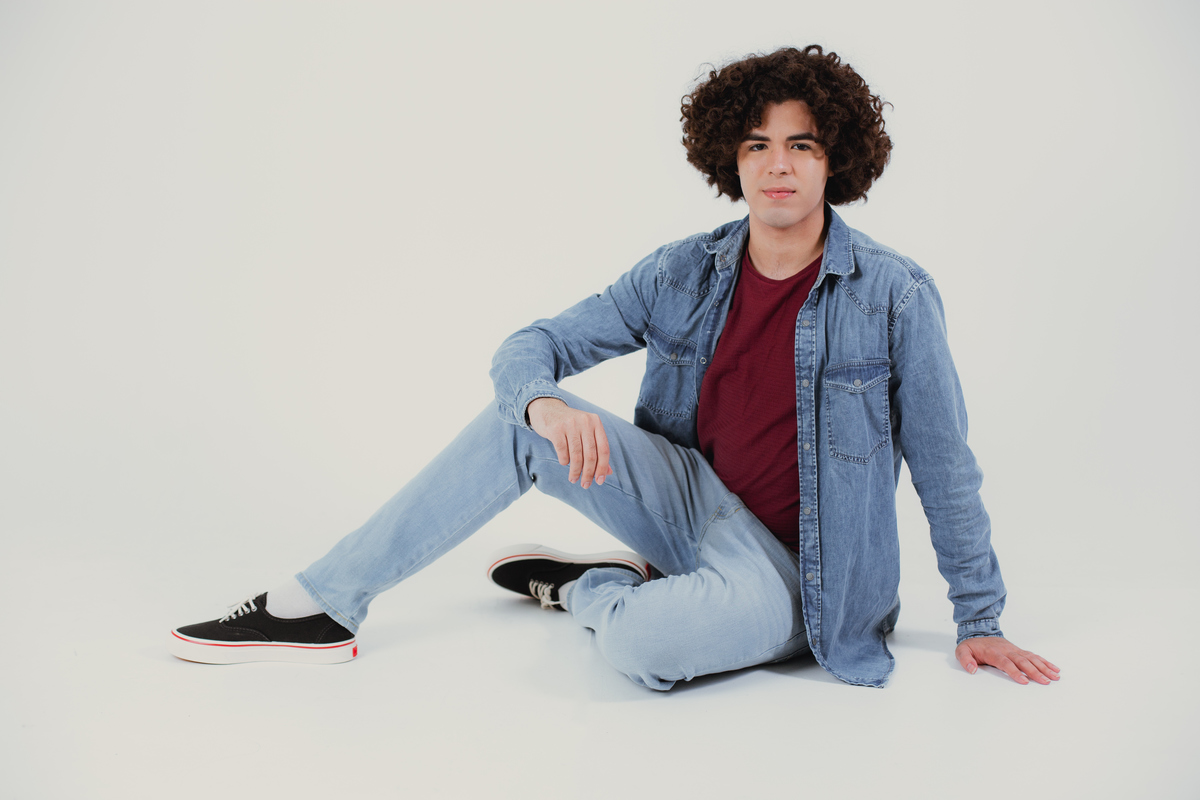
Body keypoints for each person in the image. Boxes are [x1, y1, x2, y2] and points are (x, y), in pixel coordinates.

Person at [168, 45, 1059, 689]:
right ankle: (322, 604)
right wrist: (544, 406)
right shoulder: (683, 272)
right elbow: (530, 345)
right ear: (730, 157)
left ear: (837, 160)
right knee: (518, 423)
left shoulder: (895, 295)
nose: (777, 166)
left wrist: (980, 619)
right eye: (757, 144)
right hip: (692, 503)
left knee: (643, 650)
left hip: (803, 575)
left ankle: (597, 589)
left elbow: (945, 463)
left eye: (802, 145)